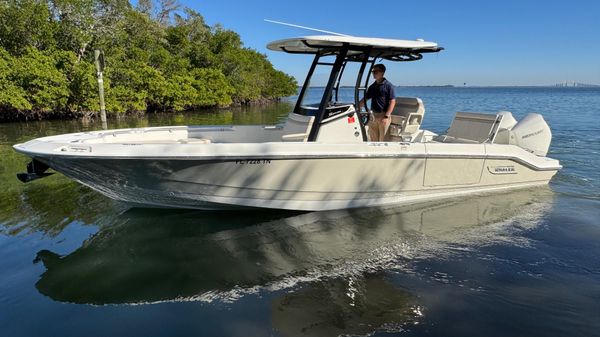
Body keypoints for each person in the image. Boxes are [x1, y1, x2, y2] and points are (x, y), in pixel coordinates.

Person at [359, 64, 396, 141]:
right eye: (373, 71)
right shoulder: (372, 86)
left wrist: (386, 117)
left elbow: (392, 101)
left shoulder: (389, 86)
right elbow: (365, 99)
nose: (373, 73)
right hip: (373, 116)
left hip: (383, 116)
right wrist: (357, 107)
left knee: (384, 141)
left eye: (375, 71)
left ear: (382, 72)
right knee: (373, 141)